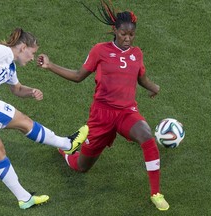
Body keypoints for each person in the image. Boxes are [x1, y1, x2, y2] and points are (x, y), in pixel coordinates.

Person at [37, 1, 169, 211]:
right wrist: (50, 65)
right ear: (114, 30)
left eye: (131, 35)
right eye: (123, 33)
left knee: (146, 136)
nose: (127, 38)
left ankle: (156, 193)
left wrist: (154, 87)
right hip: (101, 116)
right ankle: (65, 149)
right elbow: (79, 76)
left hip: (126, 112)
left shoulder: (137, 54)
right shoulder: (100, 50)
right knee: (82, 167)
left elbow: (141, 78)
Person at [0, 28, 89, 210]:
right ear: (23, 47)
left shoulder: (10, 66)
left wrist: (31, 91)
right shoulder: (2, 51)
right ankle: (67, 144)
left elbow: (16, 89)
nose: (32, 58)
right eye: (32, 53)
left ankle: (24, 198)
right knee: (24, 122)